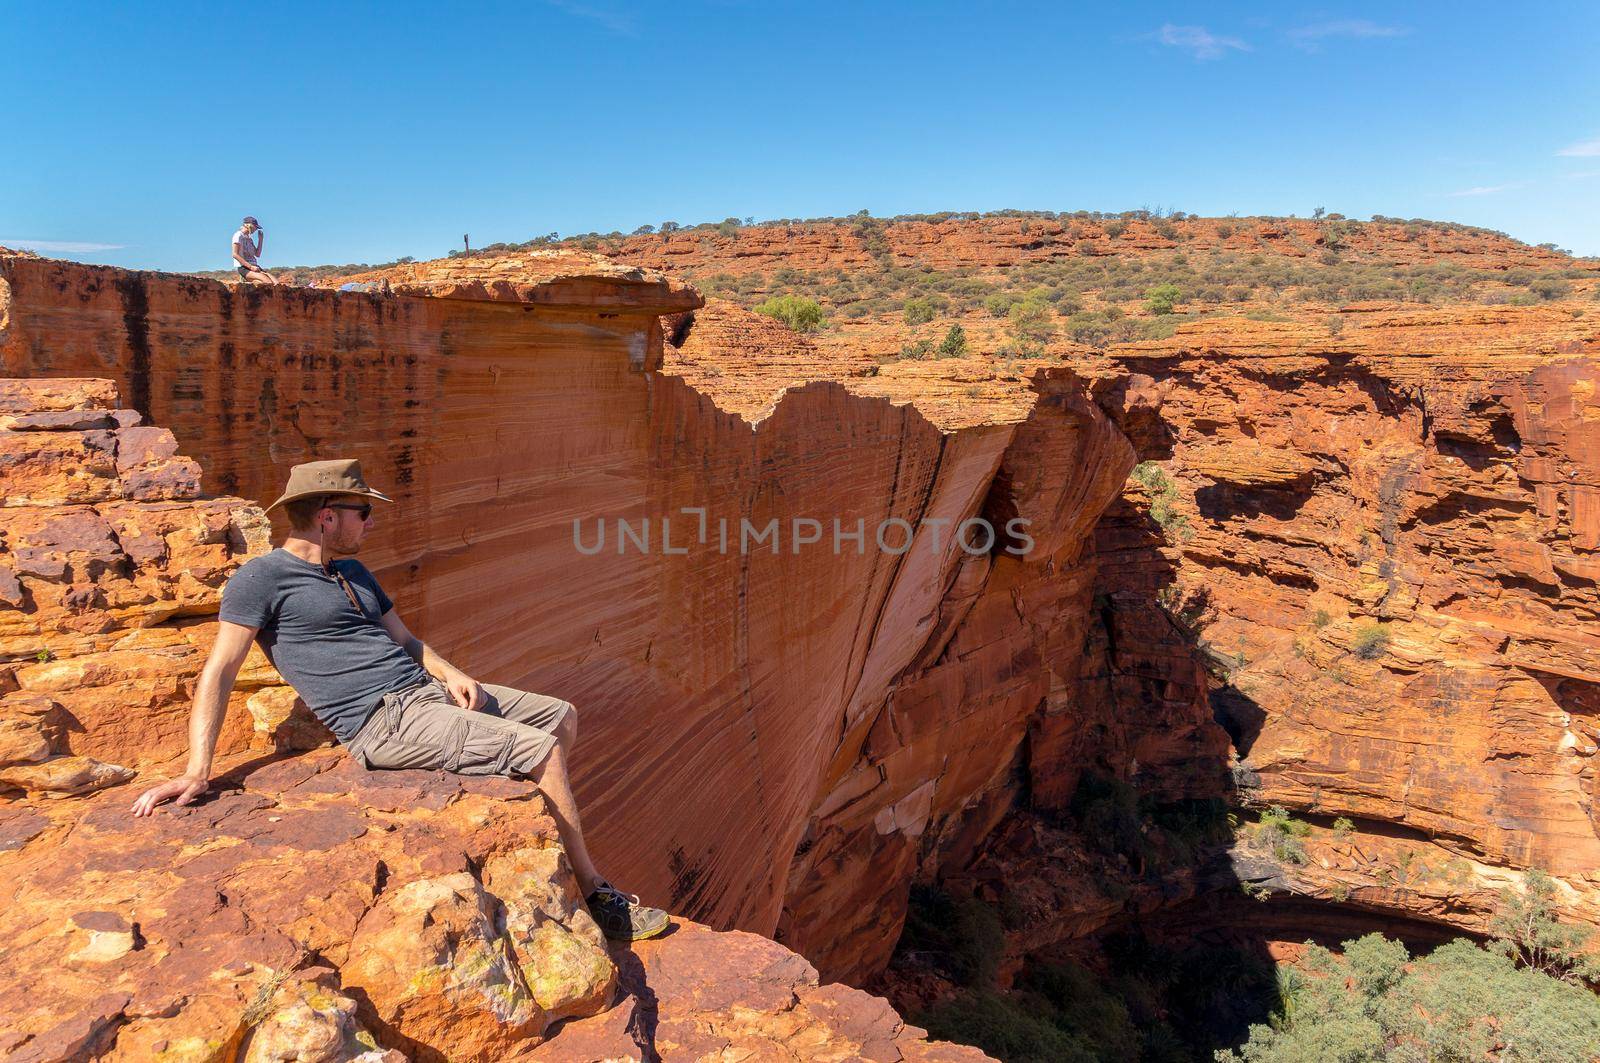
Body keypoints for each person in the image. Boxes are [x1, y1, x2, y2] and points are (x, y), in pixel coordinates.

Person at [130, 458, 668, 941]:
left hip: (425, 693)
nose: (370, 521)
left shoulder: (352, 571)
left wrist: (451, 673)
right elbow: (221, 668)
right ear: (326, 516)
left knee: (559, 715)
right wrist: (199, 769)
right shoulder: (263, 578)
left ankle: (534, 801)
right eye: (362, 511)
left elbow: (406, 640)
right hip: (381, 721)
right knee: (541, 751)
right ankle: (594, 893)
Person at [231, 216, 280, 285]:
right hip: (244, 267)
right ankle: (251, 284)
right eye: (255, 226)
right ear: (248, 225)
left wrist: (260, 239)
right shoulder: (238, 235)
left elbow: (257, 254)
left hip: (255, 266)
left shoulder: (249, 239)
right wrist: (250, 267)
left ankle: (253, 283)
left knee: (277, 283)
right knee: (268, 282)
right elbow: (235, 254)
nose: (256, 229)